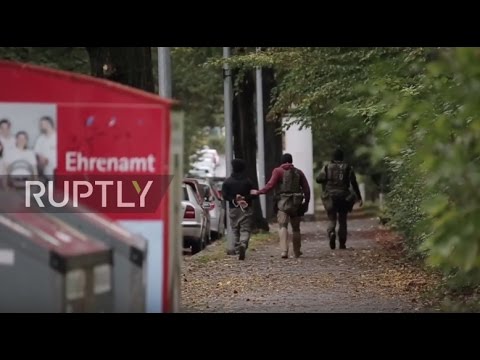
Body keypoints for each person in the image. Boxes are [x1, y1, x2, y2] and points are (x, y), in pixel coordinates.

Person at [251, 153, 310, 259]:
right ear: (291, 161)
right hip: (296, 204)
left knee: (283, 226)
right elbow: (306, 189)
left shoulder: (278, 171)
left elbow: (270, 185)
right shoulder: (299, 172)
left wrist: (259, 192)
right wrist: (306, 203)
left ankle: (284, 251)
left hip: (282, 203)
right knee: (296, 228)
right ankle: (297, 251)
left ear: (282, 161)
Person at [316, 148, 363, 250]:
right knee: (342, 220)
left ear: (332, 157)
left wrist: (327, 179)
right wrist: (359, 197)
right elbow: (354, 183)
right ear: (342, 157)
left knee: (332, 218)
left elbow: (318, 179)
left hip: (330, 197)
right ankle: (342, 243)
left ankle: (331, 232)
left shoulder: (327, 167)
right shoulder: (348, 167)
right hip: (344, 197)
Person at [221, 159, 256, 260]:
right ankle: (243, 243)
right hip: (246, 208)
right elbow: (254, 195)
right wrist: (245, 198)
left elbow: (224, 196)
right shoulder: (248, 181)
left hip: (233, 209)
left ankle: (237, 248)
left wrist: (234, 200)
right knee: (245, 229)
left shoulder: (227, 182)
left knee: (235, 229)